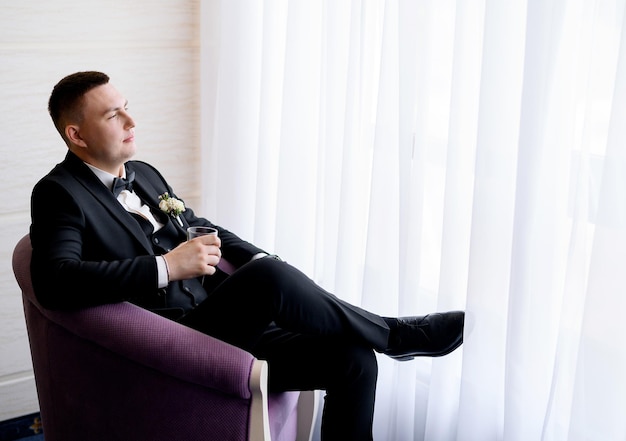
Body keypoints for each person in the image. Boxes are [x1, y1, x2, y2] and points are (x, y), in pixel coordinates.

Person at [30, 71, 464, 441]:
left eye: (127, 106)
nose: (131, 120)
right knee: (271, 279)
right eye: (113, 115)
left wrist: (258, 260)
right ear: (77, 134)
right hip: (169, 342)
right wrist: (167, 267)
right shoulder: (59, 194)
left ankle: (382, 340)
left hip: (221, 320)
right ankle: (396, 335)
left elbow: (202, 227)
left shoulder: (143, 173)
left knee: (353, 361)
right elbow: (55, 281)